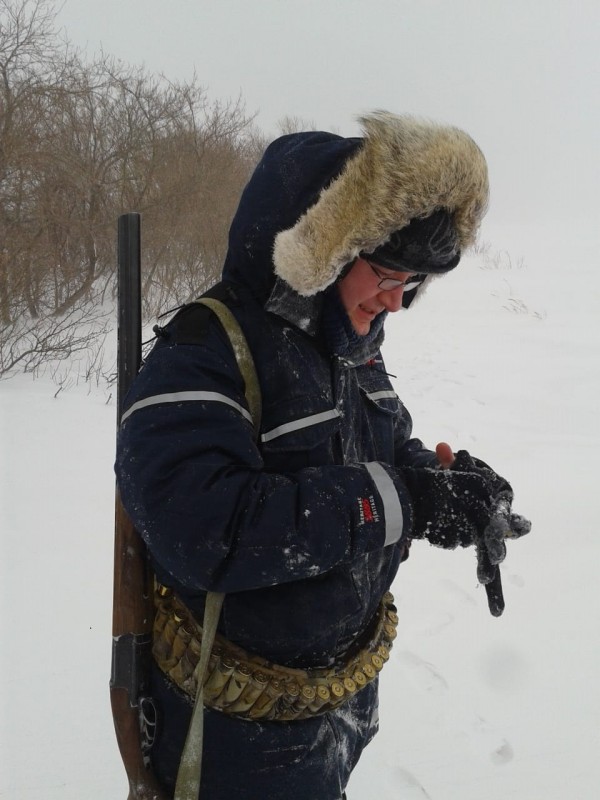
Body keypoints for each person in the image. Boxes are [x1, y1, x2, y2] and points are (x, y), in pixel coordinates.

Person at [115, 111, 530, 800]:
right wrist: (400, 499)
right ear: (327, 250)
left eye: (412, 281)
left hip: (343, 702)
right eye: (387, 273)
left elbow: (383, 452)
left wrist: (446, 487)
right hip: (236, 733)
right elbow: (207, 530)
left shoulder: (351, 346)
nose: (398, 301)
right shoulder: (204, 354)